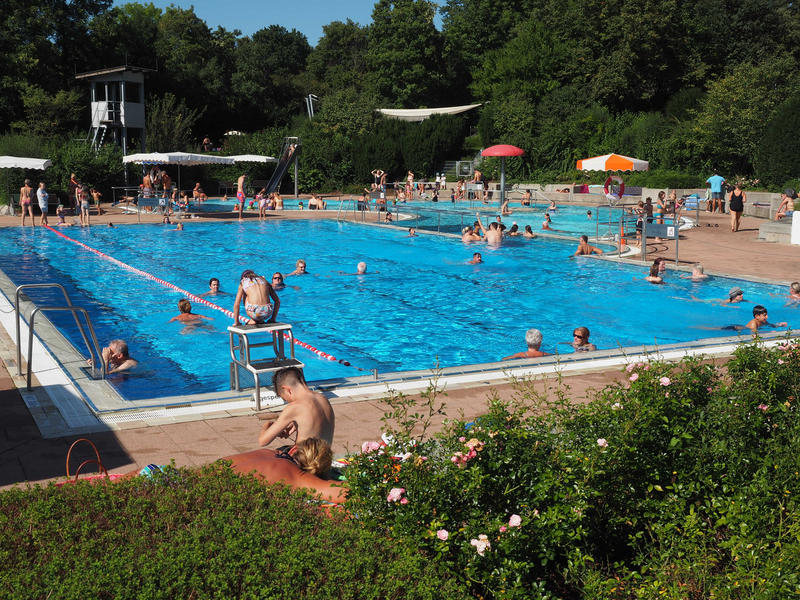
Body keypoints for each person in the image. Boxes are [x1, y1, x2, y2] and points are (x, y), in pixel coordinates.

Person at [258, 367, 335, 448]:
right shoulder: (323, 399)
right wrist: (295, 424)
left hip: (306, 459)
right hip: (325, 457)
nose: (288, 401)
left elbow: (263, 441)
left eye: (285, 399)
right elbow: (316, 421)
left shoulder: (295, 406)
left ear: (286, 389)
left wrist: (268, 424)